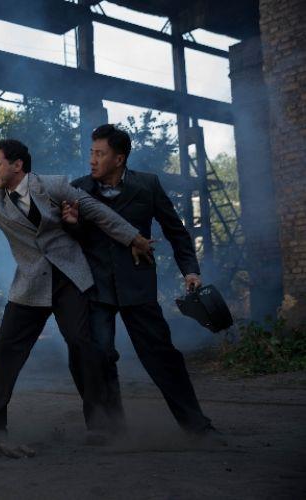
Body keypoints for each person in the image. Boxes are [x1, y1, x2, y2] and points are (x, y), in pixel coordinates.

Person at [0, 139, 153, 437]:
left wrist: (133, 237)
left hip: (69, 278)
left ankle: (100, 426)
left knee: (82, 346)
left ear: (17, 165)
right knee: (5, 352)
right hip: (30, 284)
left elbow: (97, 211)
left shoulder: (53, 185)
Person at [63, 124, 220, 441]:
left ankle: (197, 427)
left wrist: (190, 271)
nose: (92, 160)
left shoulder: (147, 185)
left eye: (100, 154)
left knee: (162, 356)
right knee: (97, 356)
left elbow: (176, 231)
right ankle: (109, 429)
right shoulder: (78, 189)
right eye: (91, 153)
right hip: (96, 287)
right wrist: (72, 225)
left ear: (119, 159)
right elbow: (75, 240)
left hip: (137, 285)